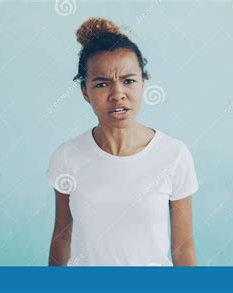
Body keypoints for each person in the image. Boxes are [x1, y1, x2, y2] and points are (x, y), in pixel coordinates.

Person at [46, 17, 199, 266]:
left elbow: (183, 248)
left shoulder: (174, 154)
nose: (118, 94)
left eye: (128, 81)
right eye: (102, 84)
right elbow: (62, 237)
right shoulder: (67, 156)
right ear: (85, 91)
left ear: (142, 84)